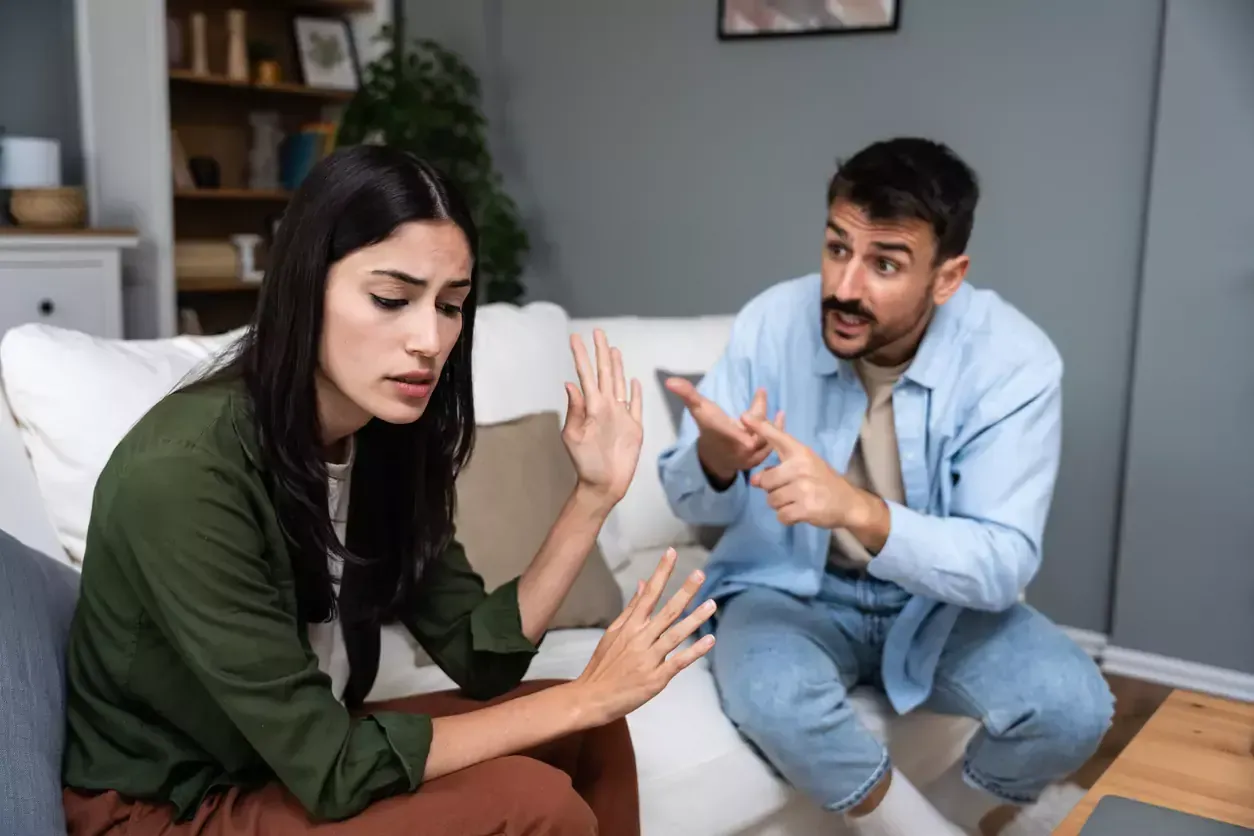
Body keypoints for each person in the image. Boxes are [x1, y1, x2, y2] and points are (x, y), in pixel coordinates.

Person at [61, 145, 717, 836]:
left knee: (594, 736)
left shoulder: (383, 438)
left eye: (451, 306)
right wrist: (584, 696)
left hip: (288, 757)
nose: (430, 339)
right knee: (539, 799)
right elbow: (332, 765)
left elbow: (478, 657)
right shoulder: (185, 474)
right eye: (391, 300)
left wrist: (592, 497)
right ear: (305, 285)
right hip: (173, 804)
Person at [659, 137, 1114, 836]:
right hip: (788, 588)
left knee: (1073, 705)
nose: (845, 286)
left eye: (885, 264)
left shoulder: (1014, 363)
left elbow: (999, 566)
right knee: (772, 693)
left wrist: (861, 513)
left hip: (936, 604)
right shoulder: (773, 322)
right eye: (837, 248)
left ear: (947, 276)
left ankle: (941, 821)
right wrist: (717, 458)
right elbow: (691, 501)